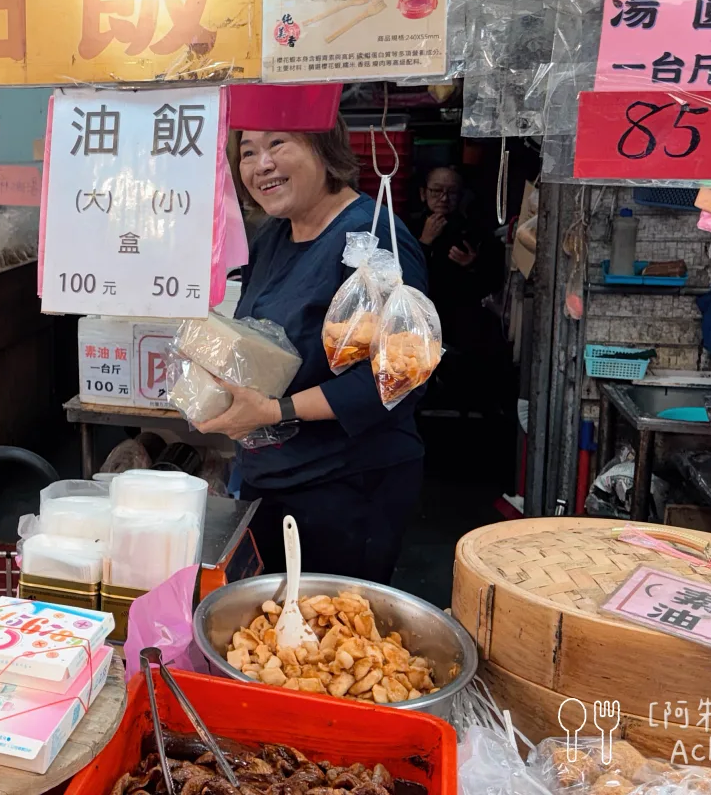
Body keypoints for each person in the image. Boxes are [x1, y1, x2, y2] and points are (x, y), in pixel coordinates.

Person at [198, 124, 429, 585]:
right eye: (247, 152)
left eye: (277, 142)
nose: (261, 164)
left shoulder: (373, 238)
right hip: (269, 477)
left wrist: (275, 410)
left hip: (346, 487)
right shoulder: (272, 238)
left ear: (325, 148)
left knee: (330, 637)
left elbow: (400, 374)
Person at [408, 166, 507, 417]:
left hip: (461, 315)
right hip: (419, 314)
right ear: (423, 194)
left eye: (451, 192)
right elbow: (397, 276)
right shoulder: (407, 227)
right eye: (437, 191)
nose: (444, 198)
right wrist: (424, 242)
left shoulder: (474, 230)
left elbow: (493, 280)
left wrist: (472, 264)